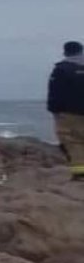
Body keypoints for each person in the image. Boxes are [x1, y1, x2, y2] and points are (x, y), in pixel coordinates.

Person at [48, 40, 84, 180]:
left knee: (73, 141)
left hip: (69, 112)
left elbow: (55, 92)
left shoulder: (62, 69)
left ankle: (80, 173)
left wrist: (53, 109)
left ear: (65, 52)